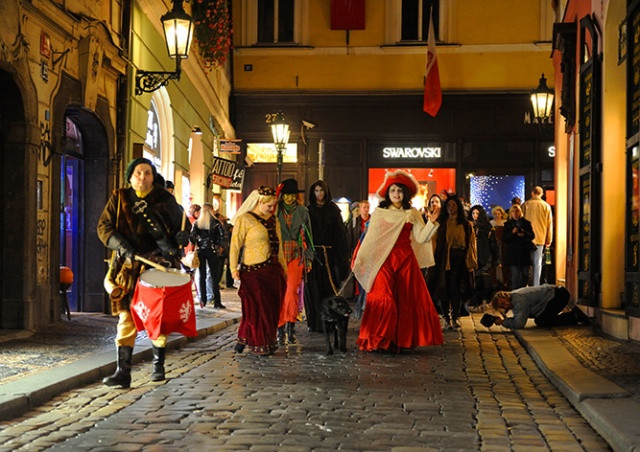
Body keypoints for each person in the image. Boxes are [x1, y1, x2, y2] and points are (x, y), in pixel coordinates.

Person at [97, 157, 190, 388]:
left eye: (147, 173)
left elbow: (183, 225)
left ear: (152, 176)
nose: (142, 177)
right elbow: (104, 227)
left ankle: (158, 367)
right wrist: (121, 244)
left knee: (156, 317)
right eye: (138, 173)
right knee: (126, 318)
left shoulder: (165, 199)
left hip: (156, 265)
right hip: (128, 267)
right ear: (130, 176)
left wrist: (183, 237)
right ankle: (123, 372)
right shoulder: (119, 198)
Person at [352, 170, 443, 352]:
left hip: (405, 261)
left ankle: (398, 341)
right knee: (384, 298)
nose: (396, 194)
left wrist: (431, 223)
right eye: (393, 190)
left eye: (399, 190)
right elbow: (372, 240)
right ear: (388, 193)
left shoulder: (413, 213)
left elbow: (421, 238)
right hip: (384, 260)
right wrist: (362, 258)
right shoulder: (380, 212)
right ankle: (379, 339)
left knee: (404, 300)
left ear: (405, 193)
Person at [229, 186, 287, 355]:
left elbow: (280, 246)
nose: (271, 209)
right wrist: (233, 268)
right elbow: (235, 245)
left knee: (271, 308)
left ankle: (248, 337)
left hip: (272, 270)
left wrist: (284, 268)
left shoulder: (273, 219)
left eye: (273, 205)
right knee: (257, 308)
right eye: (269, 205)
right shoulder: (244, 220)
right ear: (260, 202)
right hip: (253, 271)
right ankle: (260, 343)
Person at [306, 180, 350, 332]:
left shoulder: (333, 210)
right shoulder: (309, 210)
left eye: (321, 190)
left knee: (329, 288)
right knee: (313, 289)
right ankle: (315, 322)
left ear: (326, 192)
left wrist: (342, 256)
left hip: (329, 256)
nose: (319, 194)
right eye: (316, 191)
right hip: (313, 255)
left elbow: (340, 234)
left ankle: (330, 321)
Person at [275, 178, 314, 345]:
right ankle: (280, 328)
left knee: (291, 291)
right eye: (286, 195)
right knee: (280, 292)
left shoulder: (303, 211)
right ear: (282, 195)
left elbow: (310, 236)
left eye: (292, 195)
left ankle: (290, 327)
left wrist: (310, 258)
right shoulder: (275, 210)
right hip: (278, 254)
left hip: (296, 255)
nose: (289, 198)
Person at [432, 195, 478, 330]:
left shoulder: (466, 224)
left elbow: (471, 243)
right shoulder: (442, 223)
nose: (451, 208)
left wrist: (471, 261)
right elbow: (435, 242)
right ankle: (446, 317)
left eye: (453, 205)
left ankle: (456, 316)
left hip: (460, 259)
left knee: (457, 289)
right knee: (444, 288)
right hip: (444, 260)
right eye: (449, 205)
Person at [487, 284, 590, 330]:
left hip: (558, 296)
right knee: (541, 319)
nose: (504, 306)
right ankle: (573, 316)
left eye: (503, 302)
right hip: (555, 295)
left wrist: (503, 322)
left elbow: (519, 323)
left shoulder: (518, 300)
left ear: (505, 296)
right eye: (502, 306)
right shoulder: (515, 298)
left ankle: (574, 316)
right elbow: (519, 317)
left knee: (542, 321)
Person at [190, 207, 226, 309]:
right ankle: (217, 301)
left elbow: (192, 237)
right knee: (214, 276)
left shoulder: (197, 223)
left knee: (202, 276)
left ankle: (203, 300)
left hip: (201, 250)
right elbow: (222, 236)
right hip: (212, 250)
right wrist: (219, 246)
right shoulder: (216, 222)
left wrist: (198, 242)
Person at [468, 205, 498, 312]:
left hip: (485, 257)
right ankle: (476, 302)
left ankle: (483, 301)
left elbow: (493, 244)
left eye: (477, 213)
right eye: (473, 213)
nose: (475, 216)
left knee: (484, 280)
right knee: (475, 281)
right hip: (473, 257)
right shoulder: (469, 226)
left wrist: (496, 259)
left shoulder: (487, 228)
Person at [522, 186, 553, 286]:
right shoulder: (546, 206)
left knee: (526, 263)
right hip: (540, 238)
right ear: (541, 194)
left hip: (526, 238)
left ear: (532, 193)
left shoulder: (526, 204)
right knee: (537, 263)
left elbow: (521, 221)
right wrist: (549, 239)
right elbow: (549, 224)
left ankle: (525, 284)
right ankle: (536, 285)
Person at [503, 204, 535, 289]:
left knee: (525, 275)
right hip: (514, 253)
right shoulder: (508, 224)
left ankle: (524, 291)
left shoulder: (526, 223)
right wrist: (512, 233)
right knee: (515, 276)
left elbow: (532, 236)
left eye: (517, 211)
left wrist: (524, 233)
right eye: (513, 211)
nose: (515, 213)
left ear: (520, 212)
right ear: (510, 213)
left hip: (524, 252)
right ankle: (515, 294)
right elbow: (505, 239)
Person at [490, 205, 509, 290]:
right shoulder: (491, 223)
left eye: (499, 213)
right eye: (495, 214)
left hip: (504, 245)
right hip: (494, 245)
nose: (497, 215)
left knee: (504, 262)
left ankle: (505, 282)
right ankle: (495, 282)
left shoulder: (505, 223)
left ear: (502, 214)